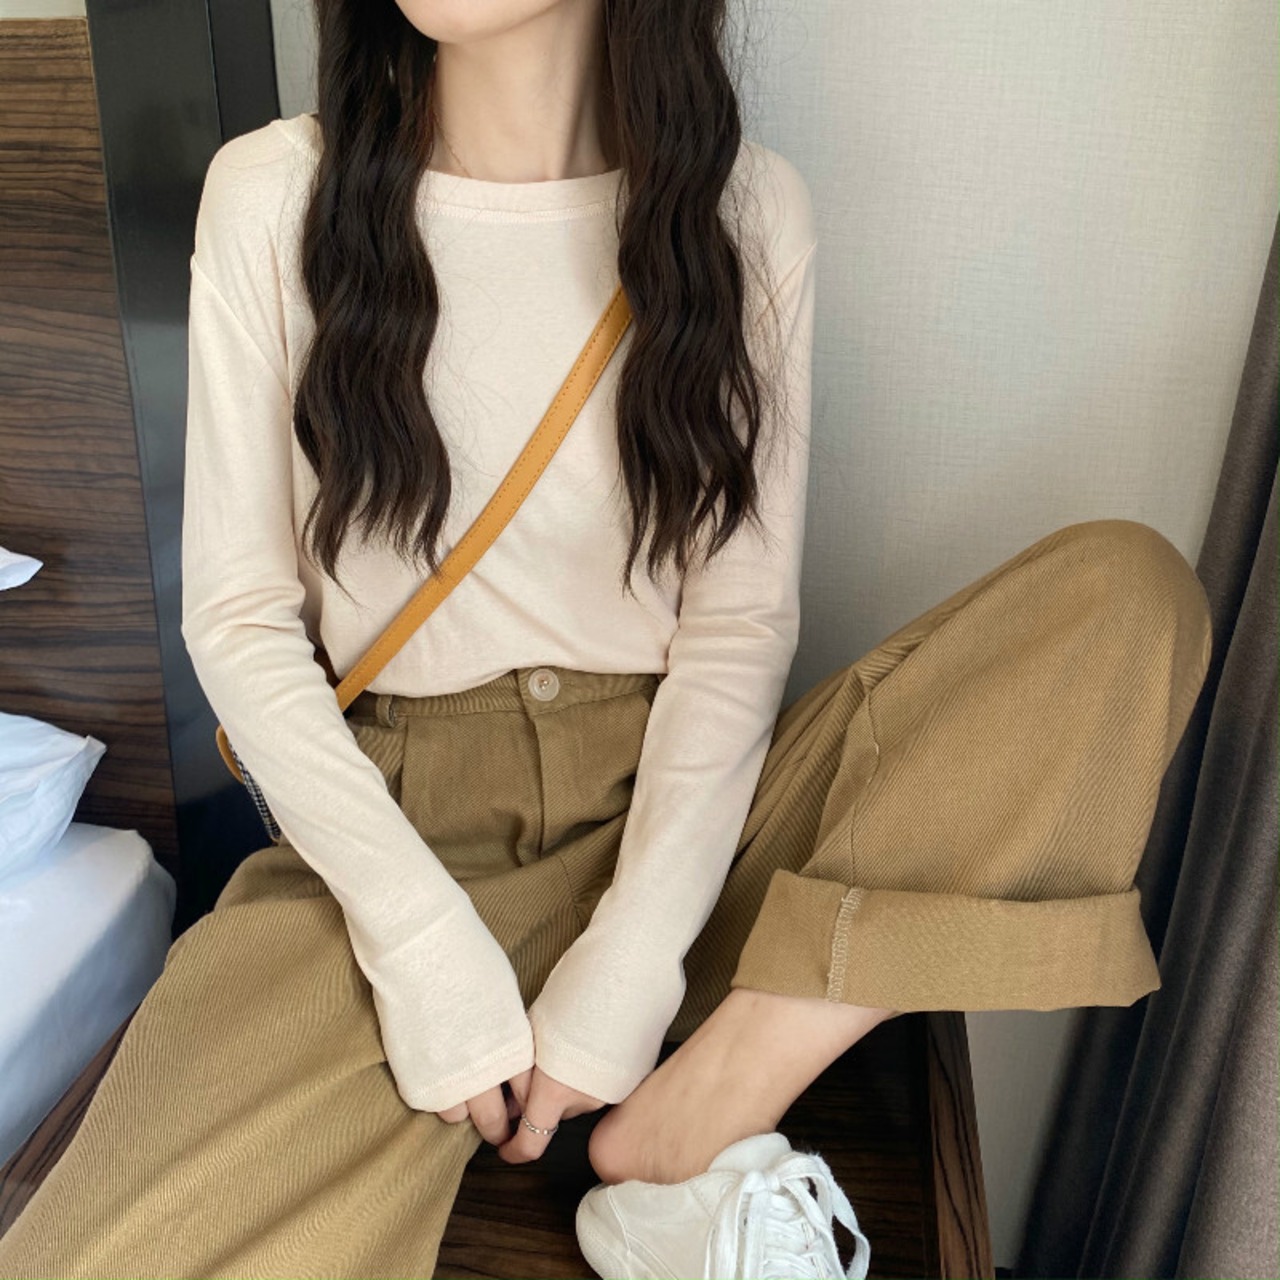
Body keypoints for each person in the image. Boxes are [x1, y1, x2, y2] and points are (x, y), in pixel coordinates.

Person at [0, 1, 1214, 1278]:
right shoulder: (274, 195)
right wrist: (420, 942)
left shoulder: (744, 213)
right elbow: (240, 621)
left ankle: (705, 1103)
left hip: (689, 820)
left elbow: (737, 625)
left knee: (1125, 603)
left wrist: (635, 956)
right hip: (398, 829)